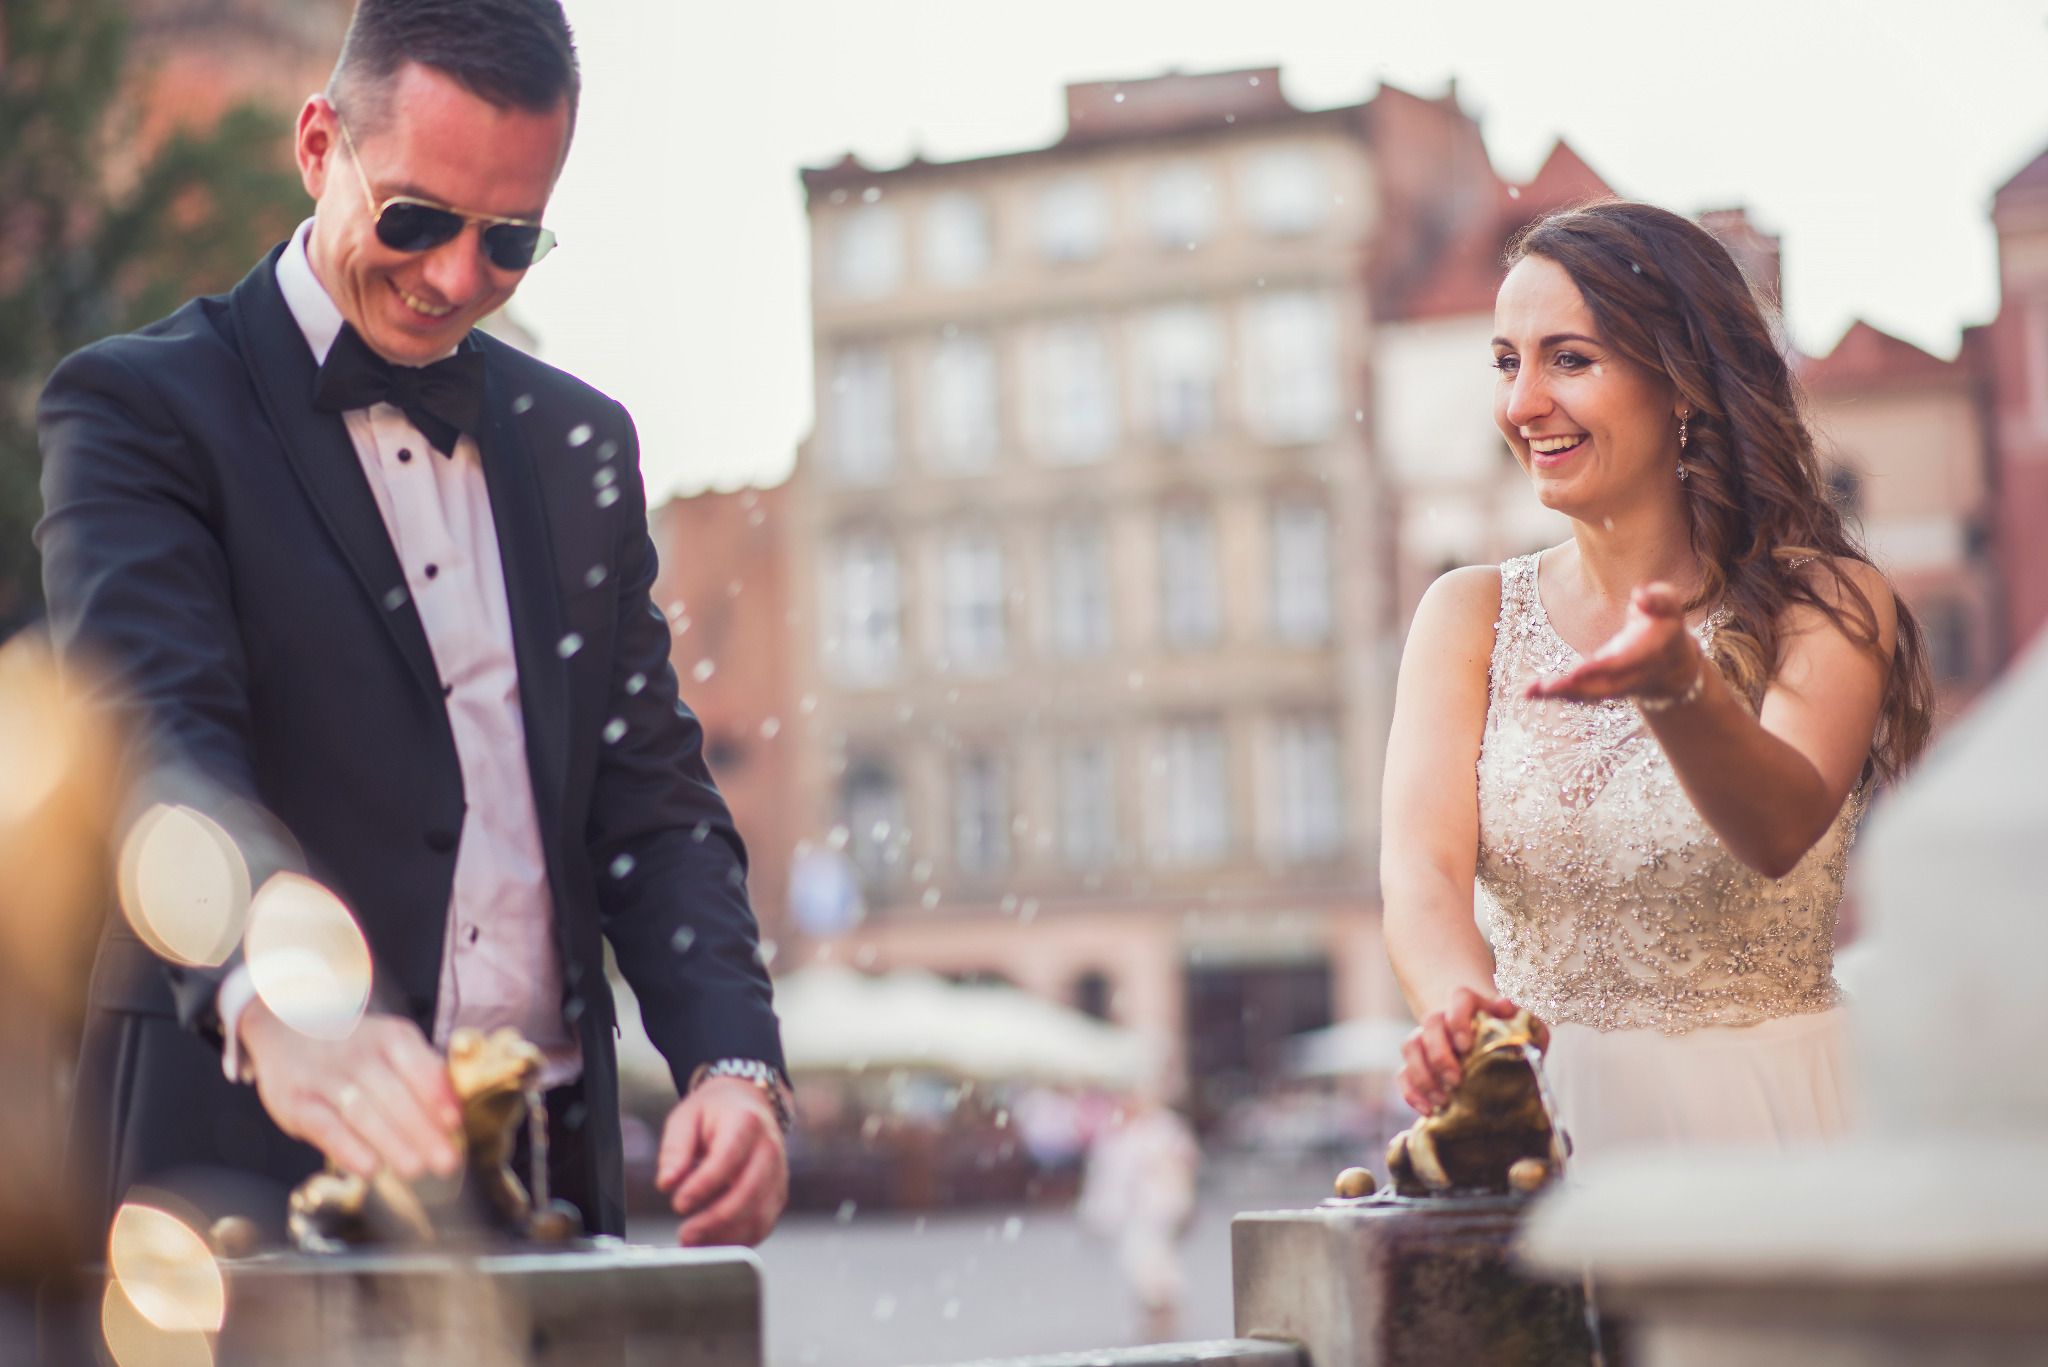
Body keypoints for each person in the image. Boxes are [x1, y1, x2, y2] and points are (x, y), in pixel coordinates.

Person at [39, 0, 788, 1245]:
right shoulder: (135, 410)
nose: (453, 280)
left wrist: (733, 1062)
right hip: (236, 1164)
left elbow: (648, 797)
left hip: (540, 1168)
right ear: (320, 146)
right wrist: (280, 991)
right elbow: (155, 746)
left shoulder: (578, 441)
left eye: (509, 244)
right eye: (417, 220)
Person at [1381, 201, 1933, 1164]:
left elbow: (1777, 825)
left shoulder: (1826, 600)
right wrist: (1466, 1019)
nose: (1522, 405)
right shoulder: (1465, 613)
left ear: (1680, 383)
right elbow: (1421, 872)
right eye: (1508, 363)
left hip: (1770, 1120)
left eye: (1570, 360)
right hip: (1545, 1126)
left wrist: (1678, 686)